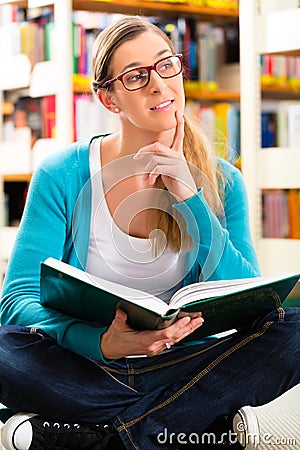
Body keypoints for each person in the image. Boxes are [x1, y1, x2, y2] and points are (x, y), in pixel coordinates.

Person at [0, 15, 299, 450]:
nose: (159, 85)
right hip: (87, 364)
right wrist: (102, 342)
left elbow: (253, 305)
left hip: (186, 363)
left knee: (293, 329)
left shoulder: (224, 182)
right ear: (109, 99)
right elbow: (16, 301)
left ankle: (102, 439)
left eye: (166, 65)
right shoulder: (62, 173)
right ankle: (184, 428)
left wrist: (190, 199)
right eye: (137, 77)